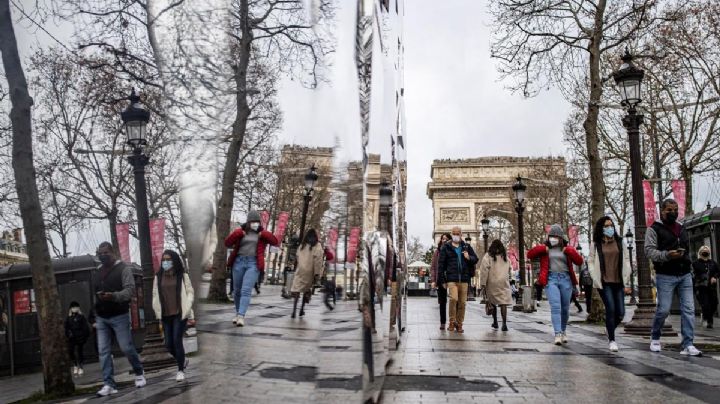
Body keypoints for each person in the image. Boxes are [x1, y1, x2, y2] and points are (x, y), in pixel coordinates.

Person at [646, 199, 701, 356]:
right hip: (665, 275)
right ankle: (655, 337)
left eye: (675, 209)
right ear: (662, 211)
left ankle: (688, 343)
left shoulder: (682, 228)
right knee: (663, 309)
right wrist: (667, 255)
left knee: (689, 310)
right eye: (669, 210)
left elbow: (688, 248)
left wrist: (687, 263)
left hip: (684, 274)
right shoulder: (654, 229)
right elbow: (649, 251)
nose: (673, 212)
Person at [90, 242, 145, 397]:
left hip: (119, 315)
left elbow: (129, 291)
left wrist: (113, 296)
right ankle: (109, 383)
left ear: (113, 252)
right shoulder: (97, 271)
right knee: (103, 351)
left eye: (105, 252)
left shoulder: (123, 269)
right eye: (100, 253)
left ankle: (139, 372)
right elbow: (94, 292)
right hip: (102, 317)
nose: (102, 255)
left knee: (126, 347)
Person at [527, 224, 583, 345]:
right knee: (556, 307)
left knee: (565, 309)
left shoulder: (566, 249)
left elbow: (579, 261)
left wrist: (569, 251)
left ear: (560, 238)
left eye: (555, 236)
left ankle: (563, 331)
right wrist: (543, 249)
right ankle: (557, 333)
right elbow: (529, 254)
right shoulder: (545, 249)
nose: (552, 238)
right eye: (551, 236)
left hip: (565, 279)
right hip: (551, 279)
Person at [225, 210, 279, 326]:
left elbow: (275, 241)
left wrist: (263, 234)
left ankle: (241, 316)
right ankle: (237, 312)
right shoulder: (241, 232)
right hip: (238, 262)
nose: (255, 224)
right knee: (237, 290)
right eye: (252, 222)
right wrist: (238, 234)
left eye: (257, 222)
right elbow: (227, 243)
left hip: (253, 263)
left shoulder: (262, 233)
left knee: (246, 290)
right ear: (248, 222)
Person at [589, 216, 631, 352]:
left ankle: (609, 328)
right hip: (604, 282)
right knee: (611, 309)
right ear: (601, 228)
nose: (609, 228)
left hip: (618, 281)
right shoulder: (596, 244)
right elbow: (590, 260)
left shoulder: (619, 242)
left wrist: (628, 272)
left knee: (621, 312)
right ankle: (612, 340)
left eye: (611, 225)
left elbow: (626, 258)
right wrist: (594, 276)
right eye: (606, 226)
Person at [152, 250, 195, 382]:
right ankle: (182, 360)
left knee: (177, 340)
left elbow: (190, 292)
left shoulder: (182, 276)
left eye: (168, 259)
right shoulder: (158, 277)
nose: (166, 262)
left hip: (179, 313)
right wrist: (156, 310)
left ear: (174, 260)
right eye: (163, 259)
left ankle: (180, 370)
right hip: (165, 315)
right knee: (169, 345)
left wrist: (188, 308)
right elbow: (155, 294)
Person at [438, 227, 478, 333]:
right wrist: (442, 280)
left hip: (464, 279)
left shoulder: (466, 246)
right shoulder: (446, 247)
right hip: (452, 279)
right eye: (454, 233)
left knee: (462, 303)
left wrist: (468, 257)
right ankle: (451, 321)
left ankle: (459, 323)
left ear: (461, 234)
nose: (456, 235)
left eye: (458, 233)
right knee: (453, 299)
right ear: (452, 234)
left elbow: (476, 259)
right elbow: (441, 265)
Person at [479, 239, 513, 331]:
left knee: (493, 302)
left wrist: (482, 283)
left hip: (492, 282)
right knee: (503, 303)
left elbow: (484, 270)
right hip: (503, 282)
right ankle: (504, 324)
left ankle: (495, 322)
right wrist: (509, 278)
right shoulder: (505, 257)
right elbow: (510, 268)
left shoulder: (488, 256)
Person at [290, 229, 325, 318]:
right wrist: (317, 274)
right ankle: (302, 309)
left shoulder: (302, 245)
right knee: (306, 290)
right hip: (310, 271)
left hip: (300, 270)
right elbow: (318, 261)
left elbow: (297, 256)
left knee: (297, 289)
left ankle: (294, 310)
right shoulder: (317, 246)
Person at [692, 246, 719, 329]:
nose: (705, 252)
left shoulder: (713, 263)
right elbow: (692, 275)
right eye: (703, 251)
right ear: (700, 252)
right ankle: (709, 321)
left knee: (714, 303)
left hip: (712, 287)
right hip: (701, 287)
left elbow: (718, 271)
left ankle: (707, 316)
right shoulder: (695, 263)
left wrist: (715, 277)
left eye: (706, 251)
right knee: (706, 304)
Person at [430, 233, 452, 330]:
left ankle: (453, 321)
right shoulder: (437, 252)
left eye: (446, 239)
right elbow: (433, 267)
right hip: (441, 278)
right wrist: (433, 280)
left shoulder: (453, 251)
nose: (444, 240)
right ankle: (442, 322)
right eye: (443, 238)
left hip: (452, 278)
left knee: (453, 300)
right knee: (442, 302)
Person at [65, 301, 90, 376]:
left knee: (80, 352)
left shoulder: (81, 317)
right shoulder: (68, 318)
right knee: (71, 351)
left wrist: (84, 336)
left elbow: (85, 328)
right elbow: (66, 327)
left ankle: (81, 367)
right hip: (72, 338)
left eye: (76, 307)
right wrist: (68, 334)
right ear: (70, 308)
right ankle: (75, 365)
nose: (74, 308)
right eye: (73, 307)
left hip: (80, 337)